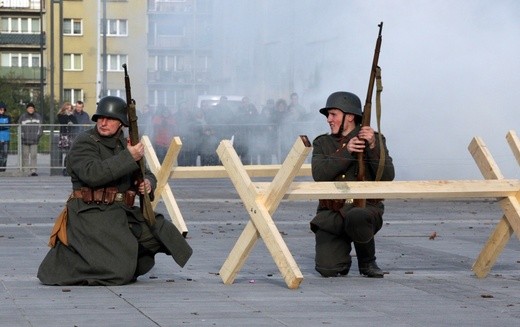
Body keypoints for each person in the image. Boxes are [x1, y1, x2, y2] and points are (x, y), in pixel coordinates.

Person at [37, 96, 192, 286]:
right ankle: (67, 264)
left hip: (120, 212)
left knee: (162, 233)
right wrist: (129, 156)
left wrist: (147, 183)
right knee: (118, 273)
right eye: (100, 118)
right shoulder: (86, 142)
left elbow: (147, 173)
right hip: (91, 213)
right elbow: (93, 174)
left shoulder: (124, 144)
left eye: (110, 119)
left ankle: (120, 257)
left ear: (121, 123)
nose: (103, 122)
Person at [310, 91, 394, 278]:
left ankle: (367, 262)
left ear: (349, 116)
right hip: (332, 214)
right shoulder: (322, 143)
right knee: (328, 269)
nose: (329, 120)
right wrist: (347, 151)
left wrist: (373, 147)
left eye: (333, 114)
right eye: (328, 115)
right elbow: (319, 174)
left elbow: (388, 176)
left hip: (364, 210)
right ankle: (341, 257)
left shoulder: (375, 140)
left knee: (357, 215)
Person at [18, 102, 43, 176]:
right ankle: (25, 170)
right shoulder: (23, 117)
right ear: (27, 109)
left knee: (33, 155)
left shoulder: (38, 117)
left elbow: (41, 128)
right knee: (25, 155)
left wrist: (37, 136)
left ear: (34, 109)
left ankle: (33, 170)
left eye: (32, 108)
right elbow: (19, 128)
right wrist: (22, 136)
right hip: (25, 140)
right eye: (29, 108)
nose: (31, 109)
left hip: (34, 140)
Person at [57, 102, 78, 176]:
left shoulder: (72, 115)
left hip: (71, 136)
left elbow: (76, 123)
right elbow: (63, 121)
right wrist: (68, 116)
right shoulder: (60, 115)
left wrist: (71, 116)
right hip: (65, 136)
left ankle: (70, 169)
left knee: (71, 153)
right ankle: (65, 169)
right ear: (64, 108)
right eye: (67, 108)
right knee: (67, 153)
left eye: (70, 108)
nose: (69, 110)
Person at [0, 102, 11, 172]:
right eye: (0, 109)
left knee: (5, 153)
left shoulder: (7, 117)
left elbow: (8, 126)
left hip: (6, 138)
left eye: (3, 110)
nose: (2, 111)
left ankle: (3, 168)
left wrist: (2, 126)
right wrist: (3, 126)